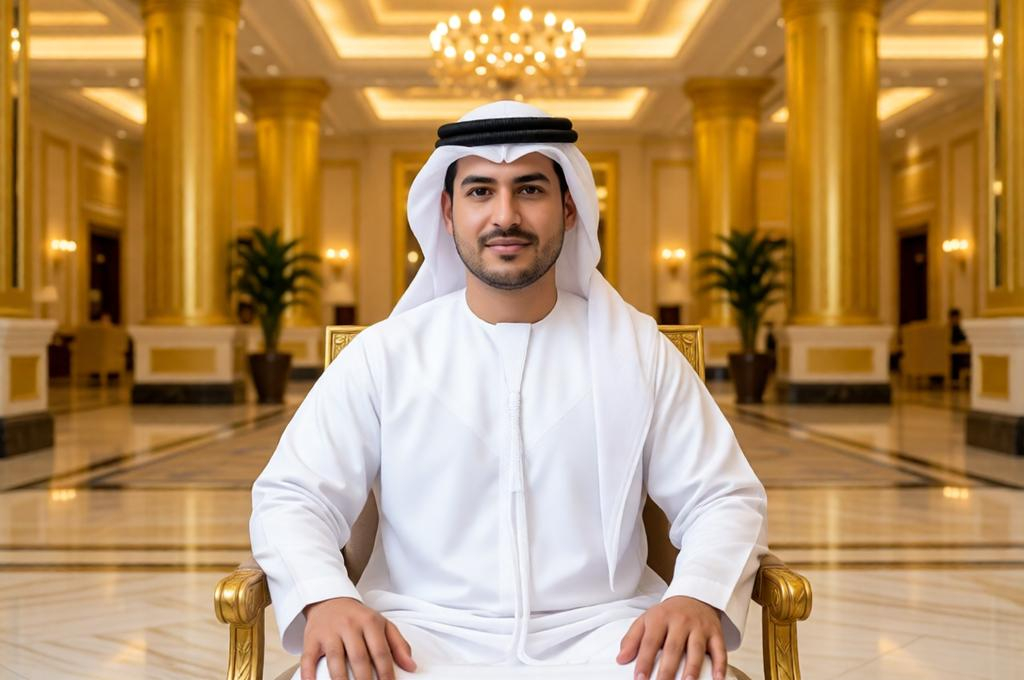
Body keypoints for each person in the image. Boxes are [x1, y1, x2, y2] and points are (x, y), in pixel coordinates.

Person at [251, 101, 768, 680]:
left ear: (569, 207)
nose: (505, 215)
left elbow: (722, 497)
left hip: (608, 635)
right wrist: (327, 597)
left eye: (529, 189)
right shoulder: (384, 354)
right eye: (479, 192)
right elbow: (293, 496)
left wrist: (695, 594)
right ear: (445, 212)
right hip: (414, 634)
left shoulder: (639, 351)